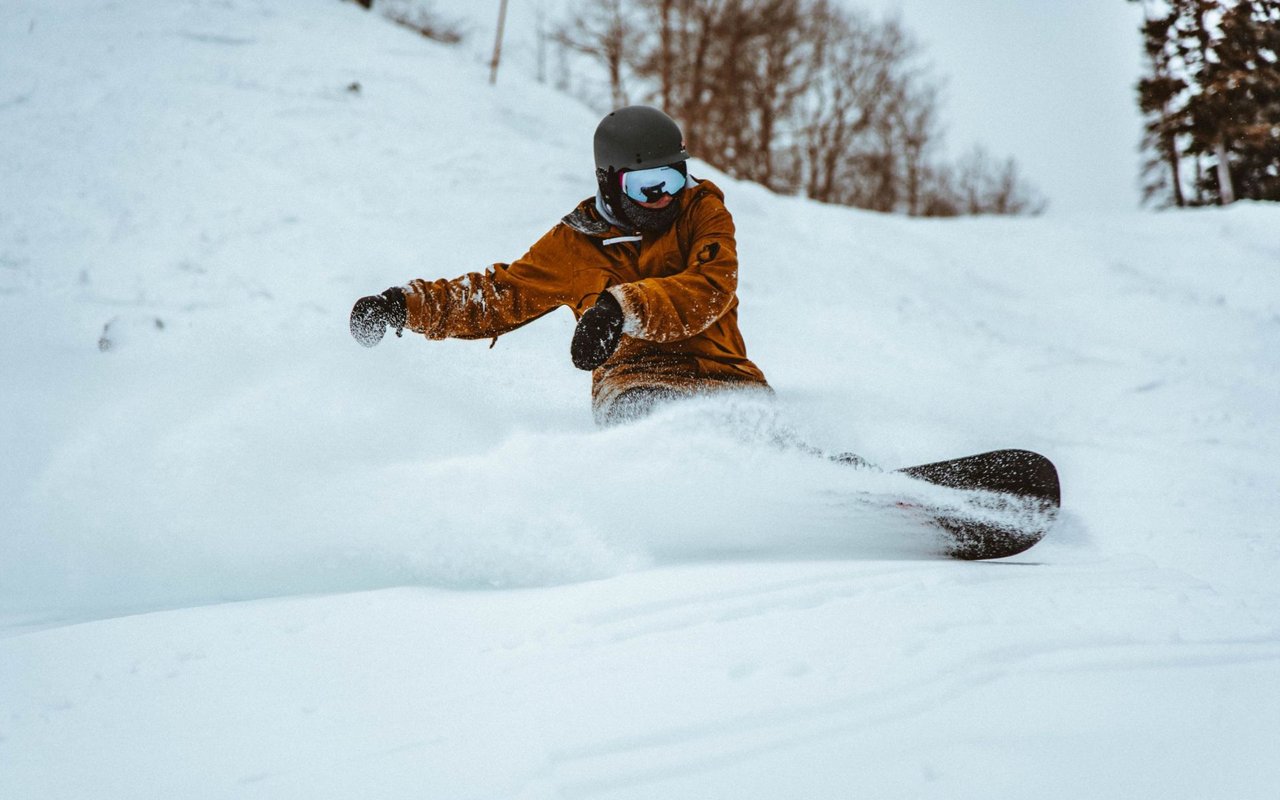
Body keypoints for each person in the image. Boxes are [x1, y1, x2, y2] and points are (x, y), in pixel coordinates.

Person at [349, 105, 770, 426]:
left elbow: (709, 287)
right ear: (609, 181)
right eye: (646, 185)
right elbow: (500, 296)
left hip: (727, 376)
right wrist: (403, 306)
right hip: (635, 384)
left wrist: (619, 309)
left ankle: (803, 480)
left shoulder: (703, 213)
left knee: (751, 426)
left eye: (674, 178)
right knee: (665, 426)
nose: (663, 196)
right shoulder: (576, 244)